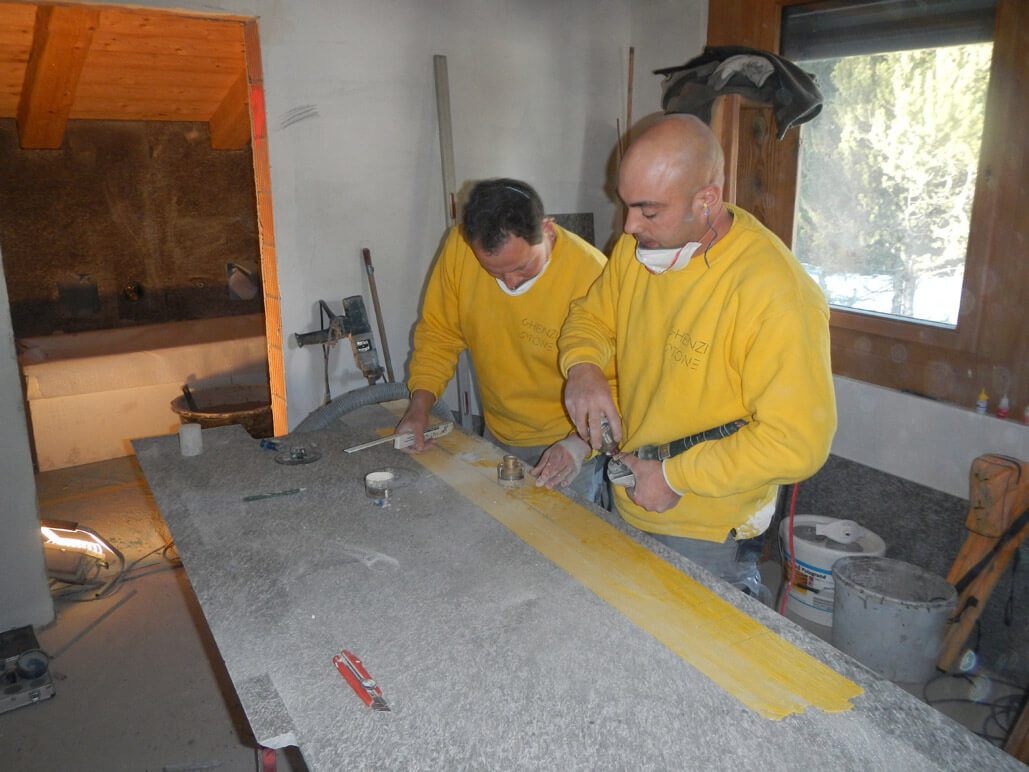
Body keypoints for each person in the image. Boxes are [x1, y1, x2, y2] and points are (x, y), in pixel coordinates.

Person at [558, 114, 835, 595]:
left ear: (706, 200)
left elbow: (798, 443)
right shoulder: (635, 249)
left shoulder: (777, 295)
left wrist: (675, 475)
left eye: (648, 210)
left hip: (709, 529)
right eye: (626, 206)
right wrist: (582, 367)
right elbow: (591, 316)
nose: (628, 226)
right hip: (629, 493)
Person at [397, 178, 615, 494]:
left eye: (522, 267)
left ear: (547, 230)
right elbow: (439, 335)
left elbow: (624, 382)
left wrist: (579, 444)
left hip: (569, 442)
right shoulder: (460, 249)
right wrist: (419, 409)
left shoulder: (594, 276)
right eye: (495, 273)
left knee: (558, 539)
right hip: (498, 433)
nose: (510, 283)